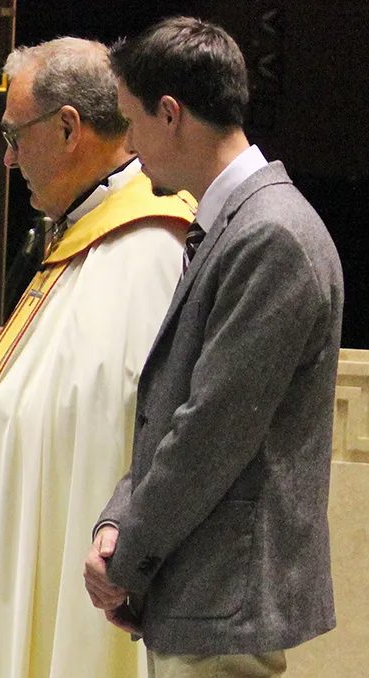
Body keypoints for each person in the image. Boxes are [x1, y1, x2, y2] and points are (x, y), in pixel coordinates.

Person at [83, 17, 342, 678]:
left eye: (131, 123)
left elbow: (212, 430)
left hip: (225, 599)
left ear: (170, 114)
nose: (132, 151)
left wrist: (127, 553)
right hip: (202, 593)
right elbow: (171, 406)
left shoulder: (271, 235)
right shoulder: (235, 223)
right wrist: (117, 523)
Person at [0, 37, 197, 678]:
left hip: (93, 577)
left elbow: (116, 423)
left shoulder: (149, 248)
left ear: (67, 128)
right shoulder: (90, 236)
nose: (6, 159)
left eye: (13, 136)